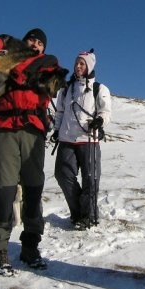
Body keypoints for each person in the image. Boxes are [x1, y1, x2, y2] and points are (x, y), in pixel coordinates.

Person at [0, 28, 63, 275]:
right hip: (5, 128)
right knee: (5, 190)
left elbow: (51, 85)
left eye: (41, 42)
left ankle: (30, 247)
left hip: (33, 129)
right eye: (32, 40)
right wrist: (1, 41)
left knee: (33, 191)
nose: (36, 44)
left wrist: (21, 70)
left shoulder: (48, 64)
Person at [52, 50, 112, 230]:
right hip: (67, 139)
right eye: (77, 63)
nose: (78, 66)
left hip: (89, 140)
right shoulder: (66, 89)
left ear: (89, 66)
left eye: (82, 64)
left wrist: (100, 121)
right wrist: (56, 130)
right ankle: (79, 212)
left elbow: (105, 111)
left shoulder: (99, 89)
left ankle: (88, 217)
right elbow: (60, 112)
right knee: (62, 175)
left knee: (90, 180)